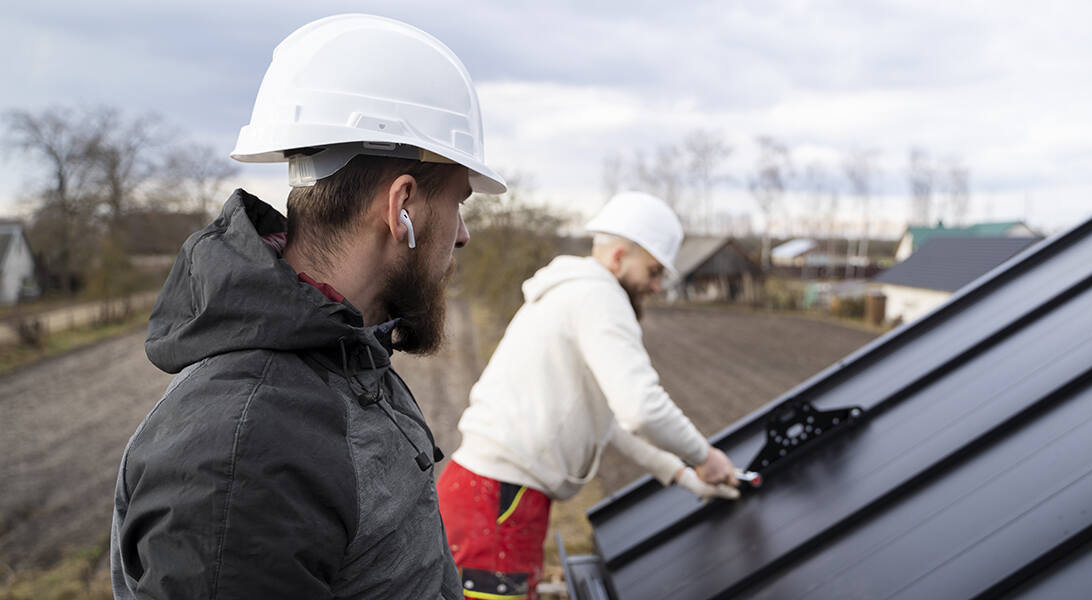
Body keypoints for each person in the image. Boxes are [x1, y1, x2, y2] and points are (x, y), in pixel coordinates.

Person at [110, 14, 506, 599]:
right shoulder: (244, 451)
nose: (464, 234)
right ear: (402, 207)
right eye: (460, 203)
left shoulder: (345, 359)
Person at [437, 191, 742, 600]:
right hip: (497, 502)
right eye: (653, 271)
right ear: (618, 256)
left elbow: (612, 422)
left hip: (492, 495)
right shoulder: (600, 298)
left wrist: (685, 475)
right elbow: (642, 409)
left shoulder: (575, 294)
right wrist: (707, 457)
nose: (656, 285)